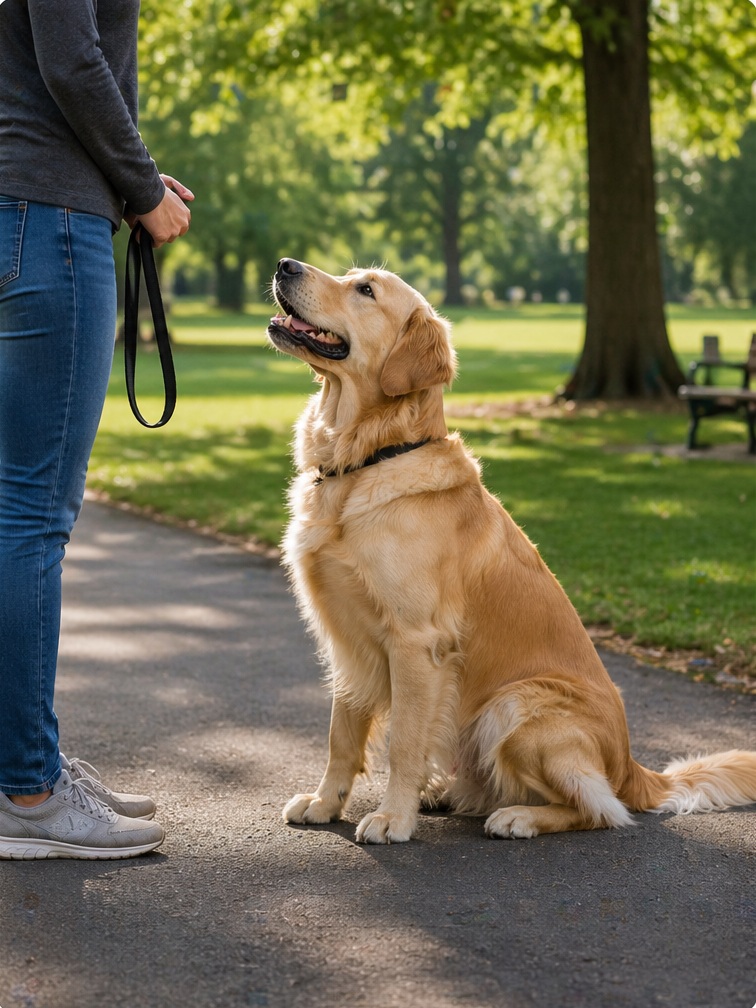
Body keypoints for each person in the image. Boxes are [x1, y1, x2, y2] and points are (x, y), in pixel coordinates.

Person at [0, 0, 194, 859]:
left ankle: (21, 762)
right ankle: (30, 793)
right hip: (51, 224)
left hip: (21, 209)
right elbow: (72, 58)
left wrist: (132, 179)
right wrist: (143, 188)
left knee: (11, 511)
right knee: (33, 515)